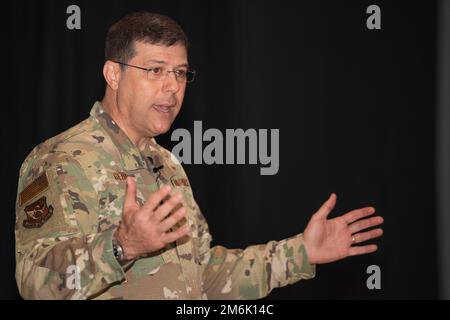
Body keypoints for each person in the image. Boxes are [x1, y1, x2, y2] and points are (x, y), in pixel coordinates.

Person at [15, 12, 384, 300]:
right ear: (114, 74)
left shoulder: (168, 165)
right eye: (155, 71)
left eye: (179, 73)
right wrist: (121, 246)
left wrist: (300, 253)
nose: (172, 87)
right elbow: (35, 283)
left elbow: (203, 274)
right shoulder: (62, 158)